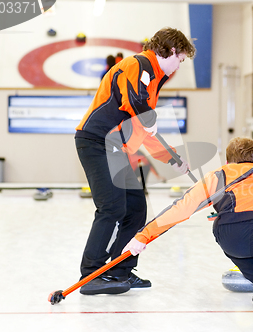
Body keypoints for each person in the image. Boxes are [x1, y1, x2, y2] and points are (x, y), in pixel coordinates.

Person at [123, 137, 253, 321]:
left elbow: (181, 208)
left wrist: (143, 236)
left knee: (226, 227)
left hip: (234, 235)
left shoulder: (219, 175)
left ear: (228, 163)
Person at [74, 27, 196, 295]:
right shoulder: (136, 64)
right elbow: (134, 102)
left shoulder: (152, 81)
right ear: (172, 50)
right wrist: (148, 116)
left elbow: (143, 129)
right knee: (112, 208)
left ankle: (120, 270)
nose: (179, 65)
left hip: (116, 148)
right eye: (181, 59)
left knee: (136, 208)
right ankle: (91, 274)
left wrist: (172, 159)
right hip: (97, 142)